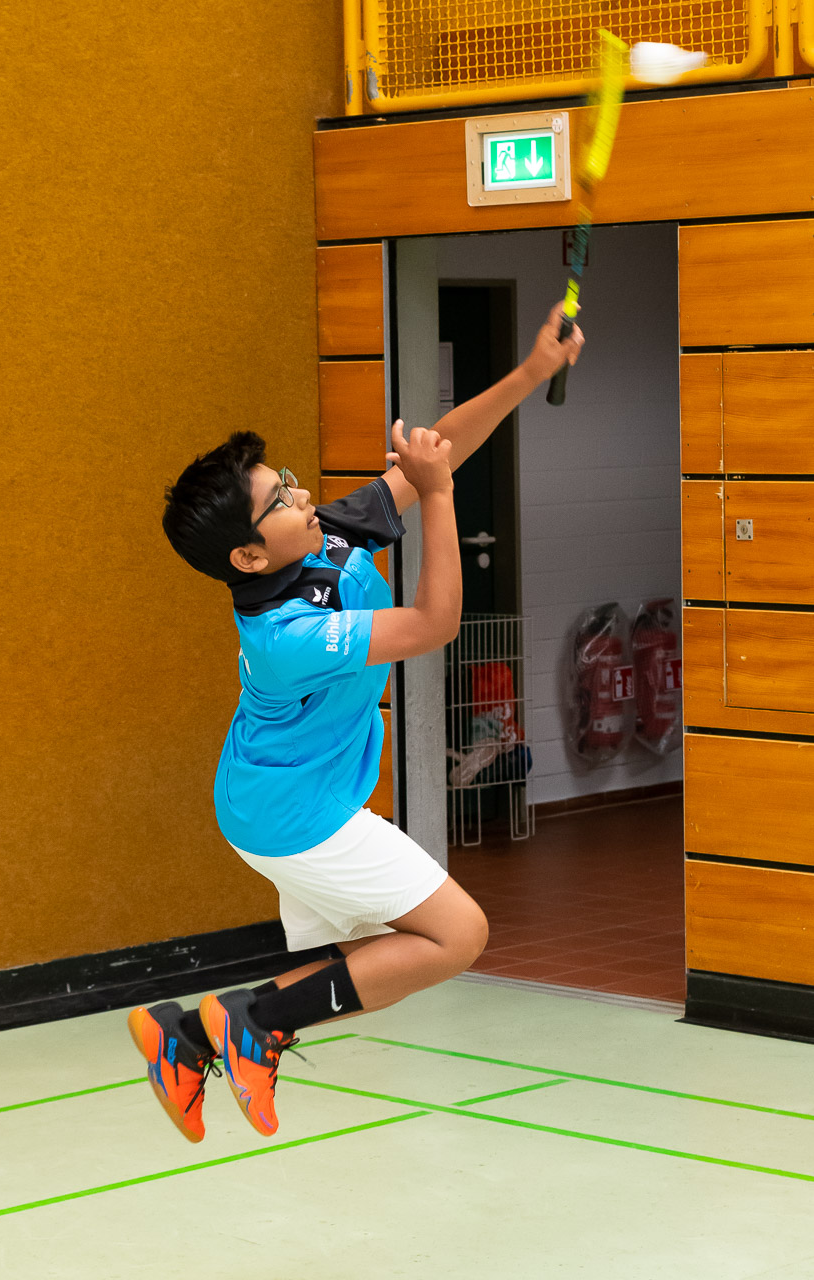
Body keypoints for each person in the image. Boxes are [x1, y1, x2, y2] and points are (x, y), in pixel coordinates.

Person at [128, 301, 584, 1144]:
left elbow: (435, 449)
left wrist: (530, 372)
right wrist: (440, 497)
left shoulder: (324, 539)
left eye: (287, 480)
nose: (301, 494)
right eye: (279, 499)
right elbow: (435, 624)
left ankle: (187, 1037)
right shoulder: (286, 637)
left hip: (285, 803)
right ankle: (252, 1024)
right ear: (247, 556)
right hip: (292, 814)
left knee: (372, 967)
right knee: (457, 935)